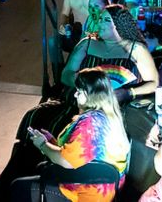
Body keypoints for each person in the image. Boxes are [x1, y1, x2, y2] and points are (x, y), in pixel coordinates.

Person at [15, 68, 130, 202]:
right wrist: (51, 141)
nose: (75, 95)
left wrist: (42, 145)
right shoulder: (110, 117)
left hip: (86, 193)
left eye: (79, 91)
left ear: (90, 95)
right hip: (107, 189)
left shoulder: (91, 124)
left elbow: (67, 161)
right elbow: (79, 153)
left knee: (19, 186)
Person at [62, 4, 158, 101]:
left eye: (106, 20)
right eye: (100, 19)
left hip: (121, 107)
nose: (100, 24)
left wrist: (128, 93)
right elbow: (65, 74)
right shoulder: (86, 44)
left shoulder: (136, 49)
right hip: (83, 102)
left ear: (121, 25)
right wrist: (83, 82)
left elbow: (154, 84)